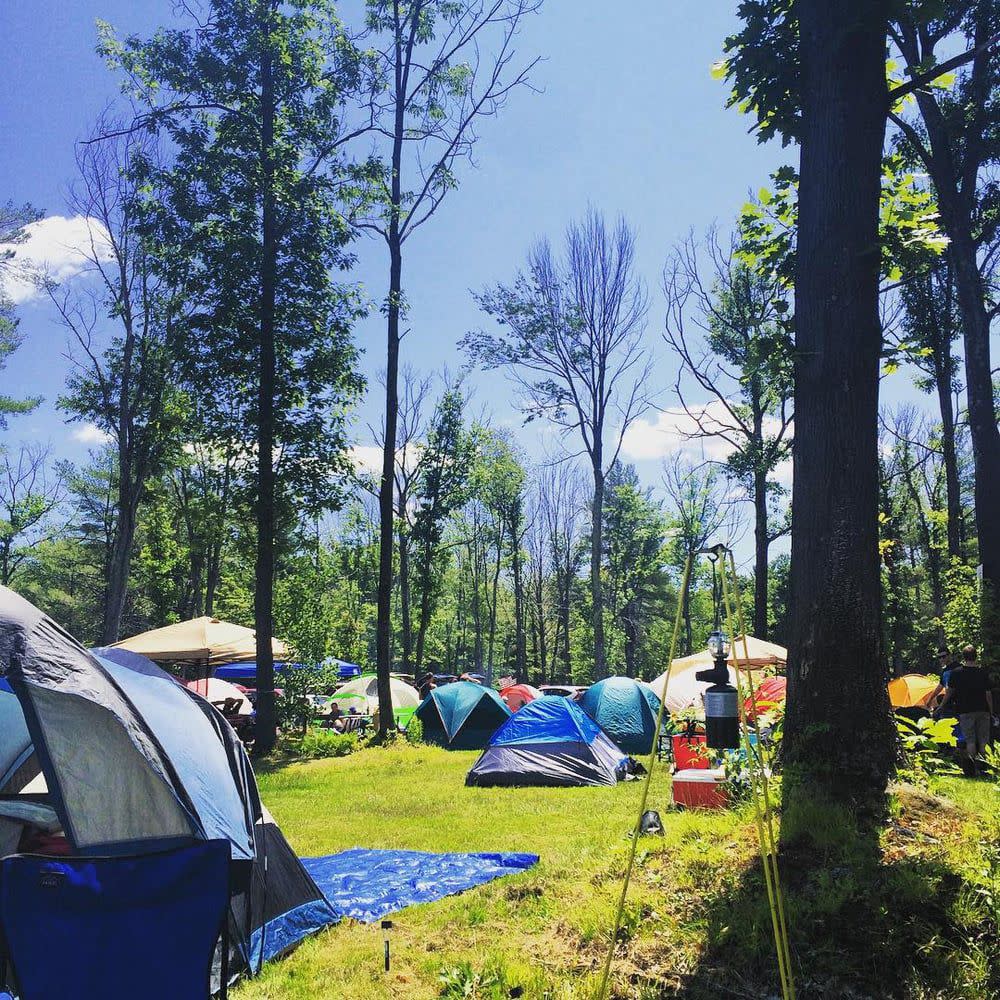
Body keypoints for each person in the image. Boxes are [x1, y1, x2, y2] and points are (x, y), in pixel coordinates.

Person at [938, 645, 994, 776]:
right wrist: (991, 711)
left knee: (970, 741)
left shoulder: (957, 673)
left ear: (963, 657)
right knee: (983, 741)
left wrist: (941, 706)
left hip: (965, 711)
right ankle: (984, 768)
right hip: (983, 710)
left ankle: (972, 770)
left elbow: (949, 692)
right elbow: (988, 694)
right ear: (976, 656)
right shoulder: (983, 673)